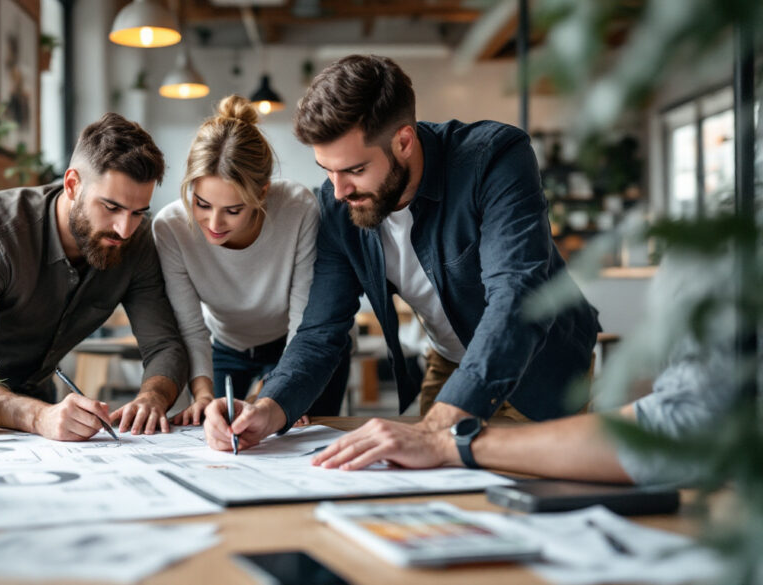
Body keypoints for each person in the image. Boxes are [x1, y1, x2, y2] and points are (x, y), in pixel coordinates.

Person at [204, 54, 600, 453]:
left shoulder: (492, 159)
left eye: (355, 170)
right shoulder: (337, 205)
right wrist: (269, 407)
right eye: (327, 169)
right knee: (430, 479)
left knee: (531, 483)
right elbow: (321, 331)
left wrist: (439, 425)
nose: (339, 191)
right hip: (450, 363)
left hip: (541, 366)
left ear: (404, 142)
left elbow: (517, 298)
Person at [0, 113, 188, 440]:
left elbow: (164, 346)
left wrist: (152, 398)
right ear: (72, 185)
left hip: (30, 389)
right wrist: (39, 417)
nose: (124, 229)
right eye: (111, 207)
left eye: (138, 213)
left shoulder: (136, 242)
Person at [153, 95, 350, 426]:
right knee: (215, 430)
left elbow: (304, 318)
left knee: (303, 437)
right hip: (225, 346)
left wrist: (278, 395)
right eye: (202, 204)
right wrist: (202, 396)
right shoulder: (170, 228)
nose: (214, 224)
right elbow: (191, 327)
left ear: (261, 193)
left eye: (233, 210)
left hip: (298, 344)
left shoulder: (298, 208)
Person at [310, 339, 739, 486]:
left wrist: (447, 442)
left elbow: (688, 426)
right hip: (449, 352)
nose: (340, 190)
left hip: (535, 359)